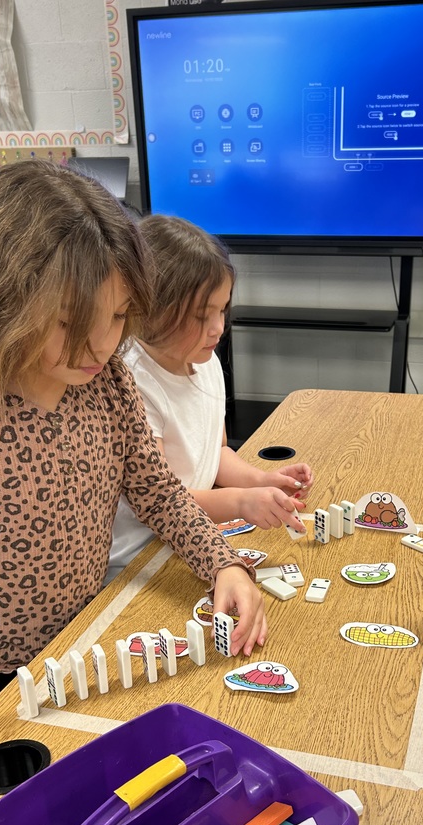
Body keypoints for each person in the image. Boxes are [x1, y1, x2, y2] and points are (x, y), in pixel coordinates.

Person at [0, 161, 266, 804]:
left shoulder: (106, 379)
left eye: (118, 316)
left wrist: (222, 563)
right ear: (2, 301)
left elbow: (156, 487)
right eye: (71, 322)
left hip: (81, 640)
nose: (100, 345)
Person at [106, 214, 313, 581]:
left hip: (196, 539)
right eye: (202, 316)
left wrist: (261, 481)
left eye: (222, 309)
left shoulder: (206, 361)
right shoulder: (132, 382)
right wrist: (241, 502)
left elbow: (214, 453)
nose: (218, 327)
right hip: (140, 558)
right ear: (151, 309)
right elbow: (159, 500)